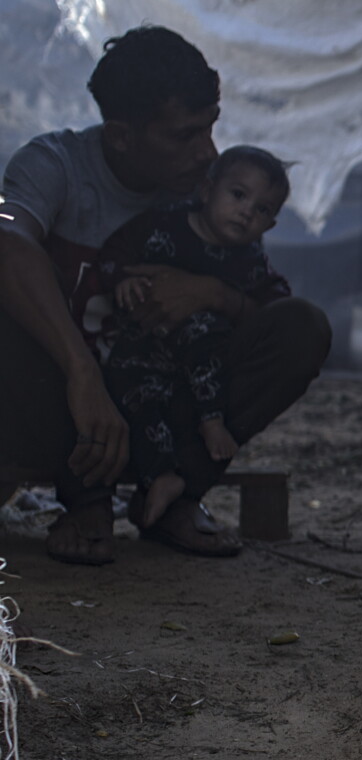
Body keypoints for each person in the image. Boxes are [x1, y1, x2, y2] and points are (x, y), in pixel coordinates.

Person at [0, 26, 330, 565]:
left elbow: (269, 314)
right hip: (60, 412)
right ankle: (86, 500)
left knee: (303, 327)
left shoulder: (211, 196)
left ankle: (178, 492)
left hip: (171, 411)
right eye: (184, 136)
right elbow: (7, 237)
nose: (208, 153)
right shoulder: (54, 166)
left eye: (210, 130)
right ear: (122, 136)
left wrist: (213, 294)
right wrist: (81, 371)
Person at [99, 145, 295, 538]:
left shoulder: (248, 260)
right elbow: (115, 254)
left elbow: (277, 304)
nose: (246, 212)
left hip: (203, 375)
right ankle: (163, 478)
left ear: (270, 226)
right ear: (206, 191)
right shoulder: (161, 226)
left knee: (203, 329)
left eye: (262, 210)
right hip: (143, 355)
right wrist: (123, 280)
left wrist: (228, 300)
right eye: (238, 195)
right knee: (136, 398)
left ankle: (210, 422)